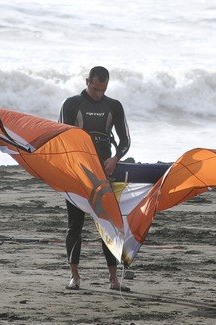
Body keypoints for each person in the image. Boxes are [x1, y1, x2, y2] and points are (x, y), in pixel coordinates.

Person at [59, 66, 131, 291]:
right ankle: (75, 277)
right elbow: (61, 138)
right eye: (94, 88)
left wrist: (115, 158)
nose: (98, 93)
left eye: (102, 89)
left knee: (108, 225)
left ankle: (113, 279)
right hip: (78, 174)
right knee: (75, 226)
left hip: (104, 173)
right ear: (87, 81)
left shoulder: (114, 106)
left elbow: (125, 140)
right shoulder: (71, 104)